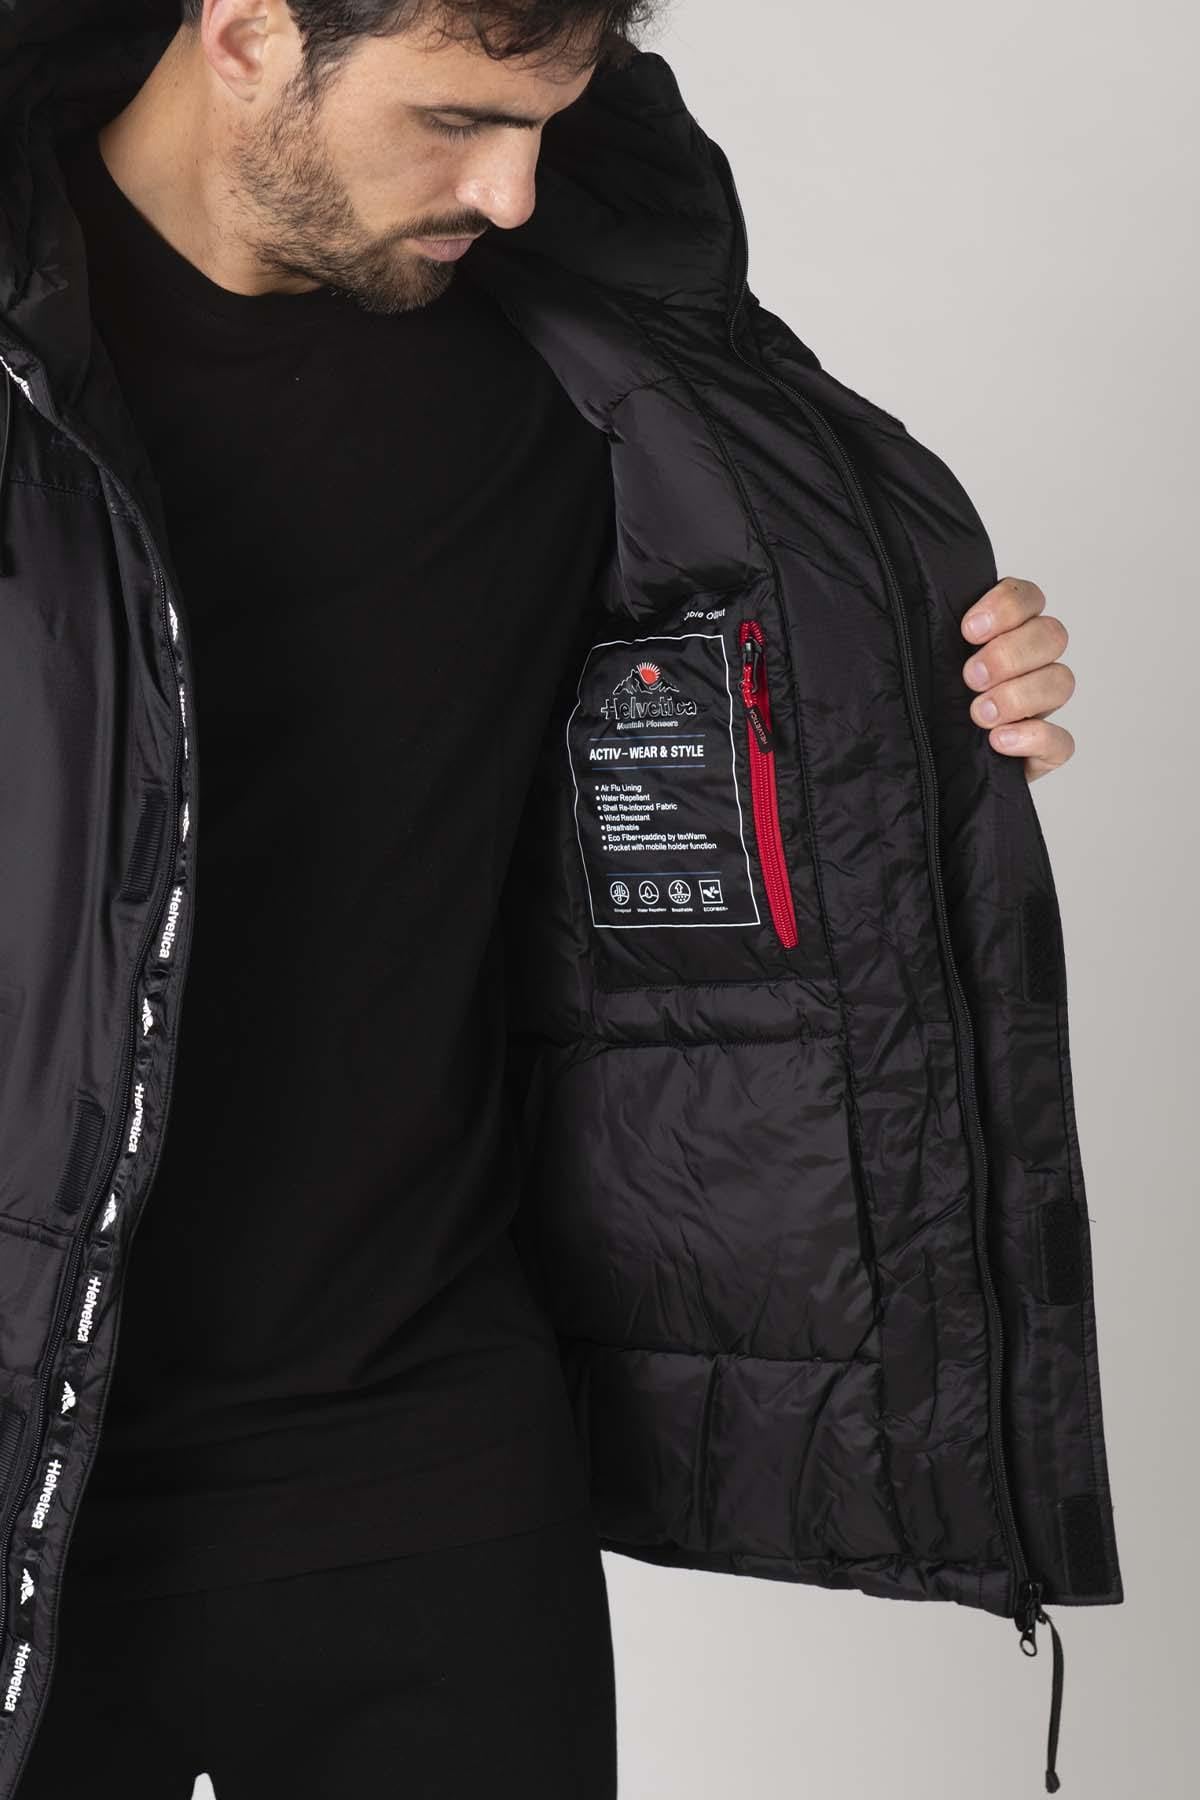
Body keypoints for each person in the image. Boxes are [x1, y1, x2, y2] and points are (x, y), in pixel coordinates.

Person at [8, 2, 1082, 1795]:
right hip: (38, 1454)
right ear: (250, 31)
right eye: (455, 121)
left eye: (546, 127)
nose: (511, 192)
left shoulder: (571, 381)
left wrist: (925, 713)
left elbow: (727, 758)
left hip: (424, 1459)